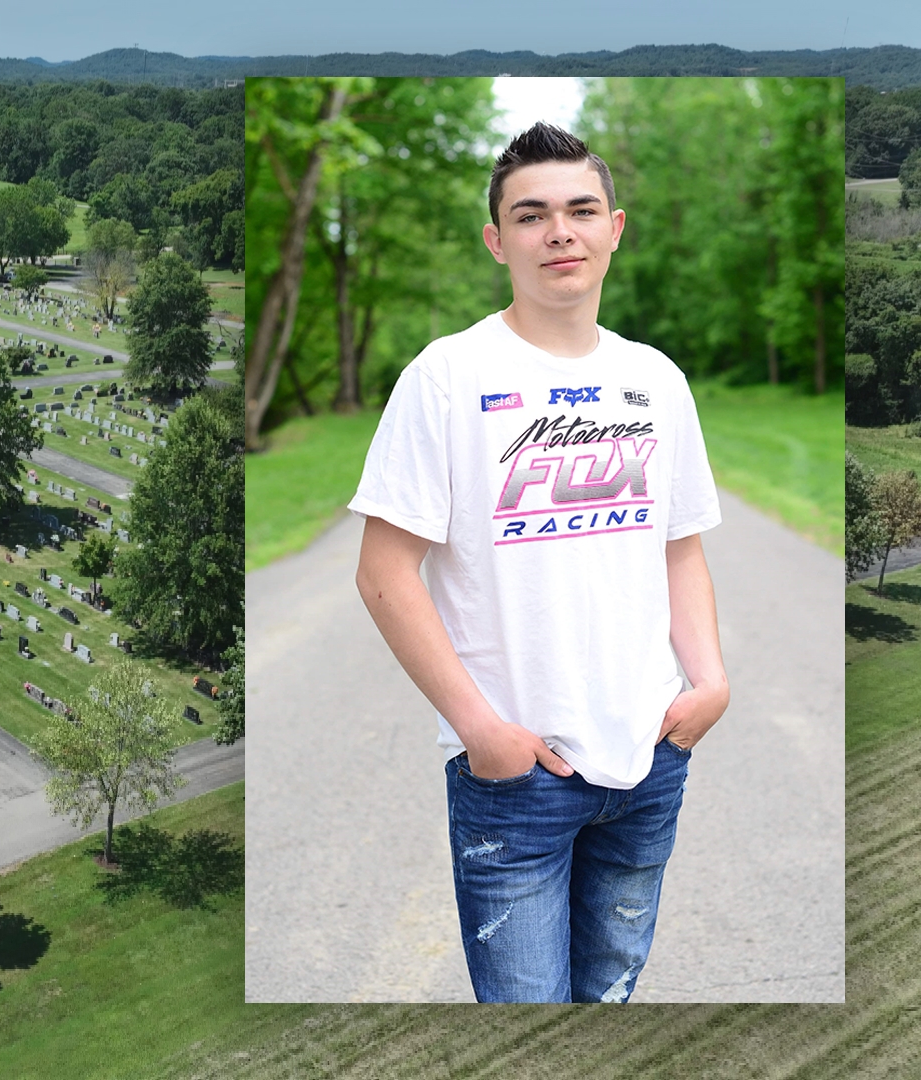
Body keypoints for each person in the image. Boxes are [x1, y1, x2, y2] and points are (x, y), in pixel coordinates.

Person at [348, 122, 729, 1004]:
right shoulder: (447, 377)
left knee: (609, 1004)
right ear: (497, 240)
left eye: (580, 210)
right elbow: (382, 572)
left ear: (614, 228)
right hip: (516, 780)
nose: (559, 231)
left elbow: (679, 547)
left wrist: (710, 682)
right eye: (532, 215)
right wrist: (482, 732)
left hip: (649, 764)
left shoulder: (657, 380)